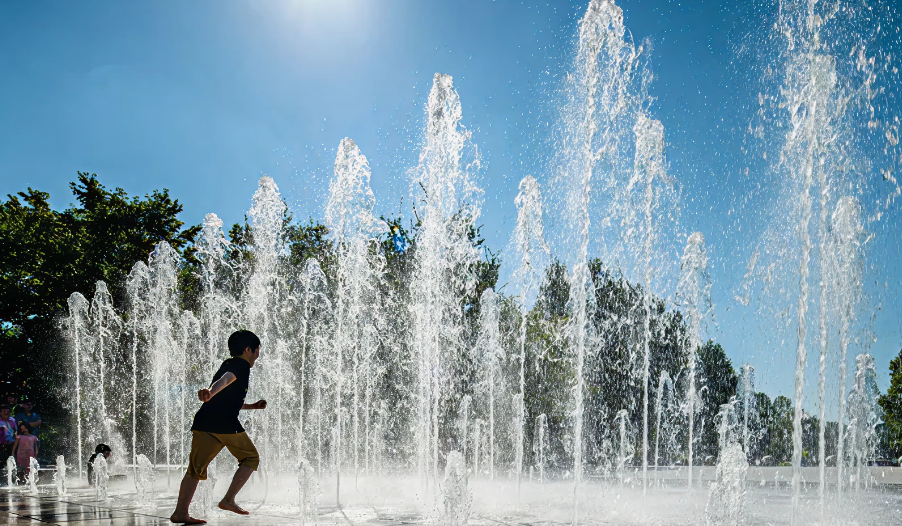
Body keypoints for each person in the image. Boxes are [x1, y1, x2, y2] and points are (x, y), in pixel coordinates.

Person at [170, 330, 267, 525]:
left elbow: (227, 397)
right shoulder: (241, 365)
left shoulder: (227, 363)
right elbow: (225, 381)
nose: (258, 354)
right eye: (257, 350)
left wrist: (252, 406)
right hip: (224, 423)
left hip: (204, 422)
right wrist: (211, 392)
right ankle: (228, 500)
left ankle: (180, 513)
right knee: (250, 458)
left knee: (194, 470)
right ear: (248, 350)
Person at [0, 404, 15, 474]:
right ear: (0, 412)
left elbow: (16, 430)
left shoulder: (12, 420)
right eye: (4, 411)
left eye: (7, 412)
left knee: (10, 460)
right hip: (1, 443)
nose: (6, 413)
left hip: (11, 443)